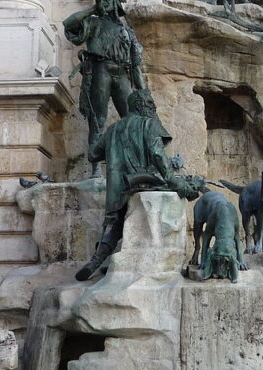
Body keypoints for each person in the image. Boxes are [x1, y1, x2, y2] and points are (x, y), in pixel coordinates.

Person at [75, 90, 200, 280]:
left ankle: (97, 261)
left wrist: (100, 133)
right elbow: (158, 155)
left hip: (118, 189)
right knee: (184, 189)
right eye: (150, 103)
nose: (153, 106)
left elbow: (93, 154)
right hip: (144, 183)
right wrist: (176, 182)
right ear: (140, 105)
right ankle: (121, 264)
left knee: (116, 226)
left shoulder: (114, 128)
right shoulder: (150, 123)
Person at [63, 0, 147, 174]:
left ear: (117, 6)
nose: (106, 2)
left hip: (122, 74)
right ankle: (95, 168)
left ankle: (134, 164)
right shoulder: (92, 23)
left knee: (131, 118)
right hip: (101, 70)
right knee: (97, 118)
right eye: (104, 0)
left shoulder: (126, 32)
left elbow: (135, 64)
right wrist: (93, 8)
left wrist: (143, 92)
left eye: (109, 0)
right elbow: (69, 24)